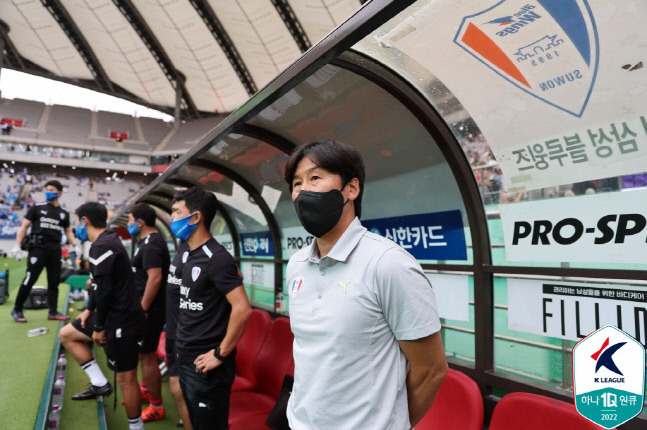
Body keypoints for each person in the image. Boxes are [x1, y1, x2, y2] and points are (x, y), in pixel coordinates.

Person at [284, 139, 448, 429]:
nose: (303, 191)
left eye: (315, 178)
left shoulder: (388, 263)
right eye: (296, 183)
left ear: (351, 188)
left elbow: (431, 370)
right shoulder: (296, 264)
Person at [58, 202, 146, 430]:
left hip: (122, 320)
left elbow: (105, 289)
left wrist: (98, 326)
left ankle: (136, 428)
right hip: (112, 316)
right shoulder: (106, 239)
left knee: (126, 379)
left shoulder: (102, 245)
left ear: (85, 220)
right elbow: (99, 285)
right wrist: (88, 310)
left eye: (77, 221)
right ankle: (99, 382)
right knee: (67, 334)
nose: (76, 226)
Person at [170, 187, 251, 430]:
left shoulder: (216, 257)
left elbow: (243, 309)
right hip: (186, 357)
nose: (172, 218)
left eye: (176, 212)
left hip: (206, 365)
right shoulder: (188, 254)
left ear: (195, 217)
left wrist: (219, 354)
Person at [11, 180, 78, 323]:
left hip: (55, 249)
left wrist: (75, 245)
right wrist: (17, 245)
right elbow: (24, 226)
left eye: (51, 189)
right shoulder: (37, 208)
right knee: (30, 278)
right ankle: (17, 309)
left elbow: (67, 230)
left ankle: (53, 312)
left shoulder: (63, 213)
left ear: (59, 193)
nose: (48, 191)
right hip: (38, 248)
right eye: (46, 189)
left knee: (54, 282)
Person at [126, 203, 169, 422]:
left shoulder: (152, 244)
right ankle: (146, 390)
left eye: (130, 219)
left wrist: (142, 308)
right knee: (145, 356)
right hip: (148, 308)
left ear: (140, 222)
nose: (128, 223)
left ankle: (156, 406)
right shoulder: (146, 242)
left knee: (147, 357)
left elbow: (155, 278)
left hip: (150, 310)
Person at [166, 238, 193, 430]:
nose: (174, 218)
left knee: (186, 386)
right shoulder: (181, 249)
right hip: (174, 330)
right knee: (175, 381)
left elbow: (235, 278)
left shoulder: (204, 252)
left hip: (186, 335)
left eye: (178, 212)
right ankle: (186, 421)